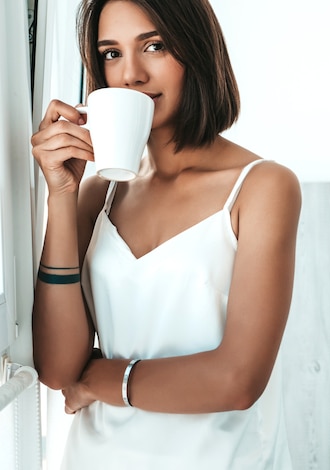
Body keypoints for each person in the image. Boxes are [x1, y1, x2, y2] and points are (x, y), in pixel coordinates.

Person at [30, 0, 301, 468]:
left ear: (196, 51)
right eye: (111, 53)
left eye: (153, 46)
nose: (131, 74)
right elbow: (57, 369)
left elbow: (237, 380)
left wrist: (96, 380)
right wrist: (60, 194)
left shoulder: (262, 187)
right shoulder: (97, 196)